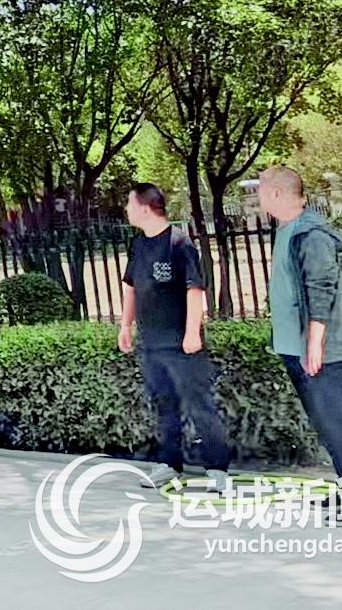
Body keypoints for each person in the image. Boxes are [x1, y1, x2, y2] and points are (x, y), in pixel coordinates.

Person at [258, 165, 342, 494]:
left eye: (261, 190)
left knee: (336, 421)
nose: (258, 196)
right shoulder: (287, 229)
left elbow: (321, 288)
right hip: (296, 345)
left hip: (320, 349)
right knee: (324, 422)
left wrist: (315, 342)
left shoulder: (311, 233)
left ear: (276, 193)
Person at [119, 182, 231, 489]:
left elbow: (194, 288)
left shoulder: (179, 243)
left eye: (130, 204)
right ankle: (169, 463)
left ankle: (217, 468)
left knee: (198, 403)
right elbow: (130, 286)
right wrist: (126, 325)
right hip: (151, 342)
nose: (126, 210)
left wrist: (193, 332)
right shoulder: (138, 244)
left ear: (145, 208)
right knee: (163, 403)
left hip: (181, 343)